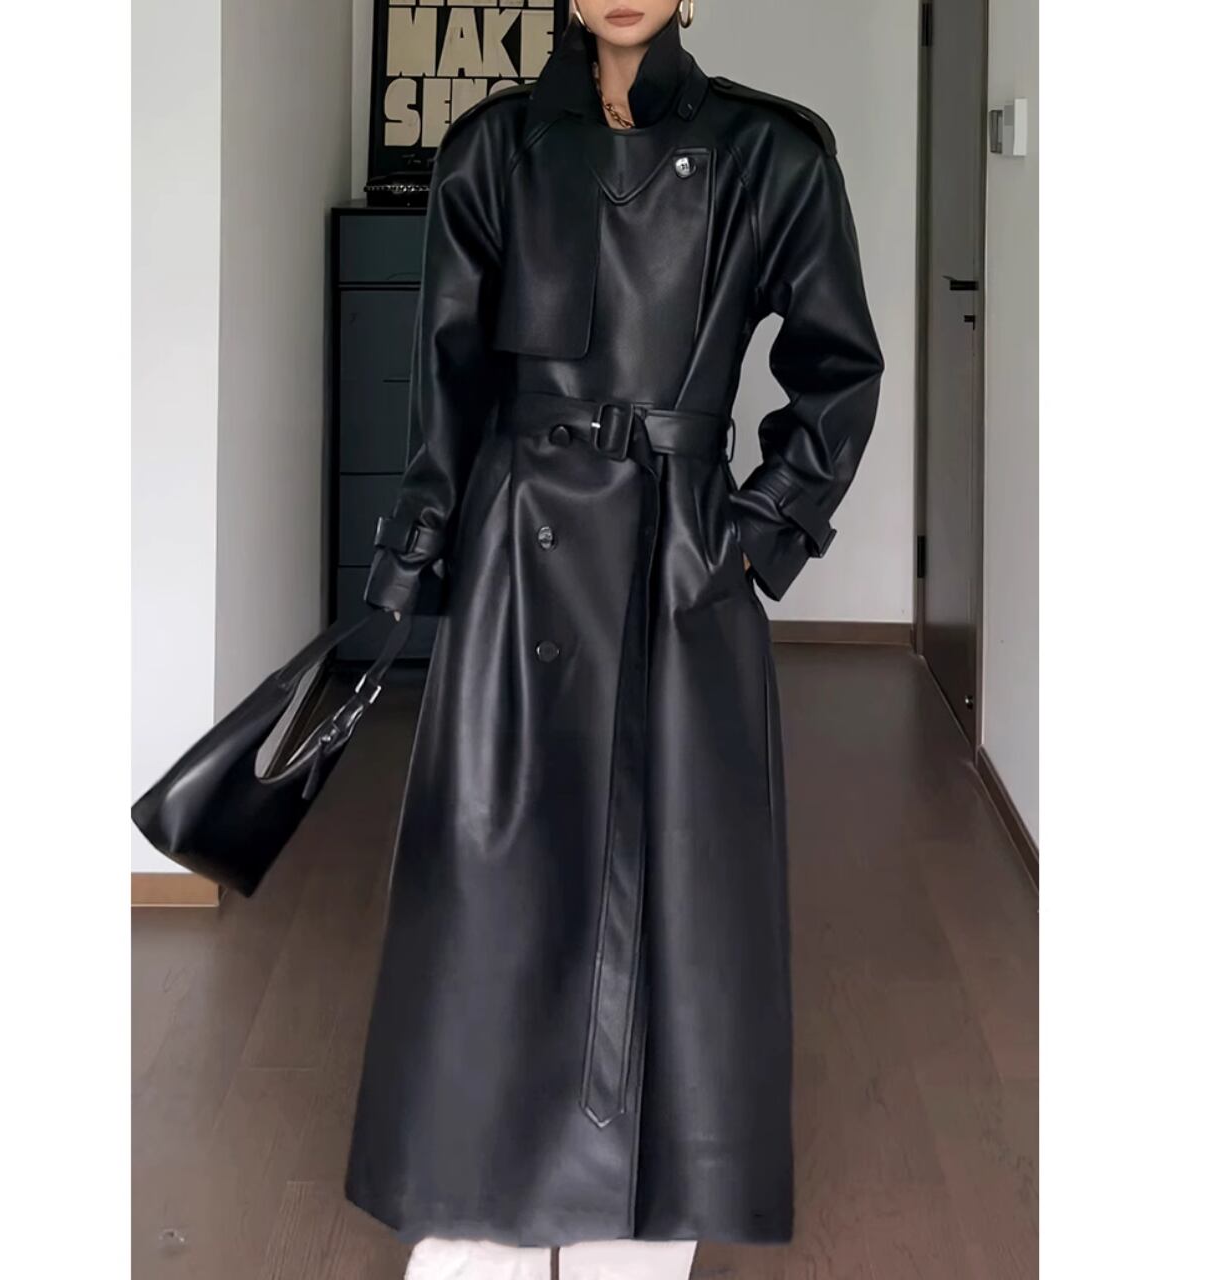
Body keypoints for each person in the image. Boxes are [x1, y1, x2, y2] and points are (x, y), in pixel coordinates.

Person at [345, 2, 885, 1277]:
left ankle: (640, 1225)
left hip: (679, 562)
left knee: (676, 893)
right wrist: (408, 562)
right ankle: (475, 1213)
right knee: (492, 879)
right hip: (517, 551)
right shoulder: (490, 150)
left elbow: (837, 367)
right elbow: (447, 388)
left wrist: (753, 535)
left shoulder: (770, 153)